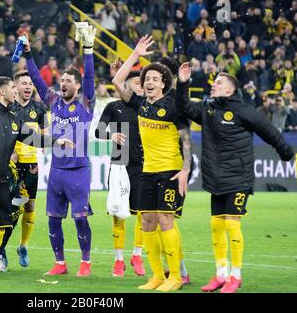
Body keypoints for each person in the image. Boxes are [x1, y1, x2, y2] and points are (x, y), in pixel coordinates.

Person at [176, 63, 295, 293]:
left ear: (230, 90)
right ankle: (221, 274)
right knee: (216, 225)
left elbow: (270, 132)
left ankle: (235, 275)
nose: (213, 85)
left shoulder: (243, 110)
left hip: (239, 178)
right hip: (215, 178)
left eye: (218, 83)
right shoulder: (208, 108)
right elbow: (183, 109)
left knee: (232, 224)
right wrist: (183, 83)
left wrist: (288, 155)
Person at [0, 76, 73, 280]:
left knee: (2, 224)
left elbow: (34, 138)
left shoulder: (13, 117)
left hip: (3, 179)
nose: (15, 90)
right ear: (2, 92)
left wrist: (57, 141)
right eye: (12, 87)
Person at [112, 35, 192, 292]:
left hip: (170, 170)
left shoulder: (173, 107)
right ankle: (157, 275)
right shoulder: (140, 105)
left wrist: (185, 170)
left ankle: (176, 277)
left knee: (166, 220)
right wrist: (135, 54)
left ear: (164, 84)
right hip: (148, 170)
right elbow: (117, 80)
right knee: (147, 221)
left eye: (154, 79)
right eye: (146, 79)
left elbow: (187, 140)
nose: (148, 82)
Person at [23, 23, 97, 277]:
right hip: (56, 170)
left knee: (80, 217)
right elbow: (35, 79)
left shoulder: (86, 102)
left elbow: (89, 78)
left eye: (68, 81)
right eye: (61, 80)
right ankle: (60, 263)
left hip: (78, 170)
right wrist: (29, 54)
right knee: (53, 218)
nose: (62, 83)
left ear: (76, 86)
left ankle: (85, 263)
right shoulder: (53, 102)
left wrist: (88, 51)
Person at [0, 70, 48, 271]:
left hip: (31, 164)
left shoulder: (40, 108)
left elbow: (44, 133)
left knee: (30, 207)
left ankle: (22, 246)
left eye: (30, 83)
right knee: (10, 210)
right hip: (11, 165)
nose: (28, 87)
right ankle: (0, 249)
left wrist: (43, 146)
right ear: (15, 86)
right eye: (23, 83)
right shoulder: (8, 106)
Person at [95, 66, 146, 277]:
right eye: (136, 83)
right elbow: (98, 131)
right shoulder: (113, 107)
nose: (140, 87)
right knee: (118, 213)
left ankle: (137, 255)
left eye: (141, 84)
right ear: (127, 86)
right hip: (119, 164)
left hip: (143, 165)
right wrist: (111, 136)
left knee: (143, 213)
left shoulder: (146, 108)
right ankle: (118, 261)